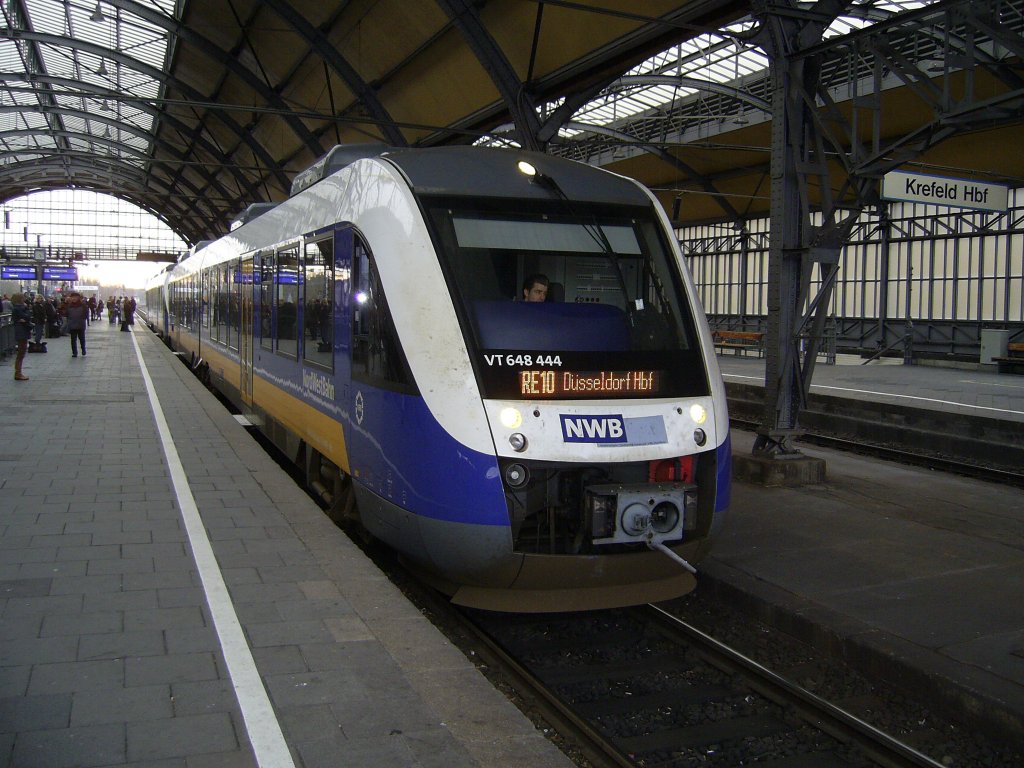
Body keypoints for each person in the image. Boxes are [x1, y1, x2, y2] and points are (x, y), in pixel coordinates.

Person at [11, 293, 32, 380]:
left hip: (21, 330)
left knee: (21, 352)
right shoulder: (18, 308)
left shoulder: (18, 308)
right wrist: (26, 315)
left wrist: (25, 318)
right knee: (21, 352)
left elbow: (26, 317)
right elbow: (26, 316)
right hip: (21, 331)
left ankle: (18, 372)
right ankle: (18, 373)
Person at [65, 291, 89, 357]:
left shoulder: (83, 305)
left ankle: (83, 350)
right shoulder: (69, 306)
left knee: (82, 339)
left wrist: (83, 318)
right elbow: (66, 314)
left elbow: (86, 313)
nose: (74, 298)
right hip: (72, 324)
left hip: (80, 324)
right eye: (72, 297)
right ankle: (74, 352)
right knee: (73, 340)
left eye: (75, 297)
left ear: (78, 298)